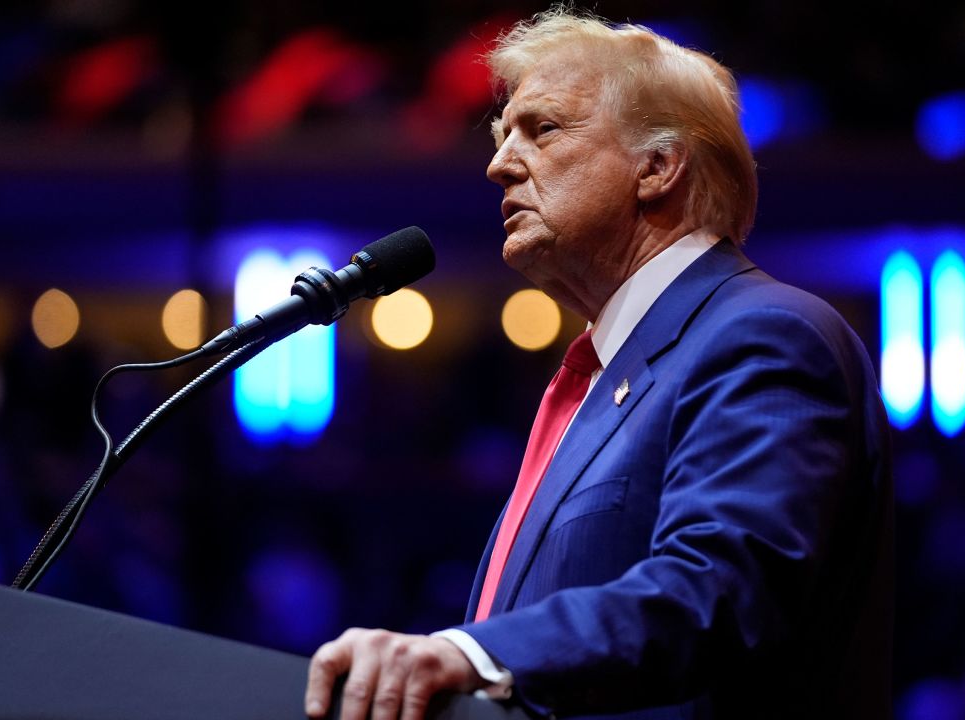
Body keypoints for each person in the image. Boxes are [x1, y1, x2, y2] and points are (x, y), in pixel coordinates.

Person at [305, 7, 893, 719]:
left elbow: (716, 592)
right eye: (501, 135)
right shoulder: (606, 374)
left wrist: (472, 653)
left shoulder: (764, 336)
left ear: (658, 166)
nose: (498, 163)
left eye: (541, 129)